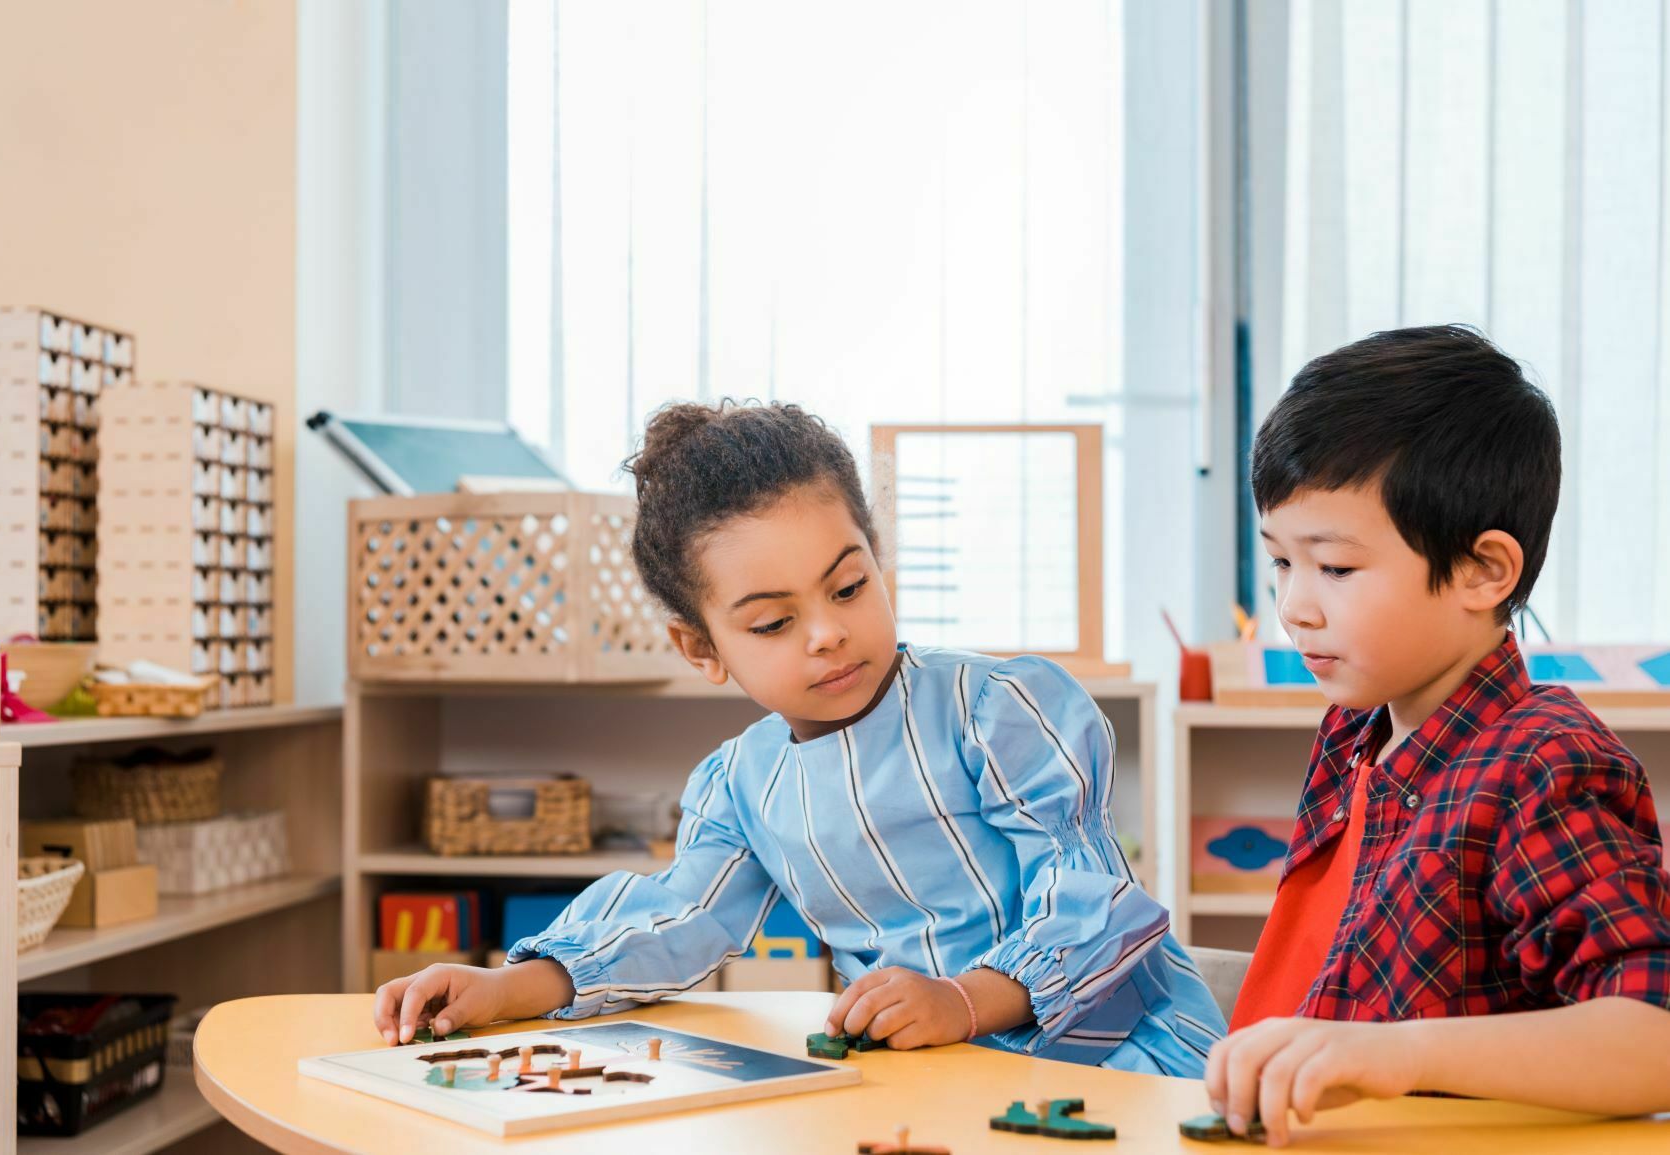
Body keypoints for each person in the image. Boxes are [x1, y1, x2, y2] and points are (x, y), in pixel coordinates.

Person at [374, 398, 1222, 1073]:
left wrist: (962, 1000)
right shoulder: (740, 782)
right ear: (701, 647)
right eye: (774, 621)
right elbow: (678, 917)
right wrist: (507, 985)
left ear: (877, 557)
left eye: (849, 587)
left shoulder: (992, 707)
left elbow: (1090, 900)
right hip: (936, 1070)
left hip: (1113, 1057)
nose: (825, 633)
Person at [1206, 326, 1670, 1144]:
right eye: (1281, 562)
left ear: (1482, 570)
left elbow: (1653, 1035)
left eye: (1335, 568)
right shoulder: (1356, 726)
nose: (1294, 606)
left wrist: (1400, 1054)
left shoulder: (1544, 759)